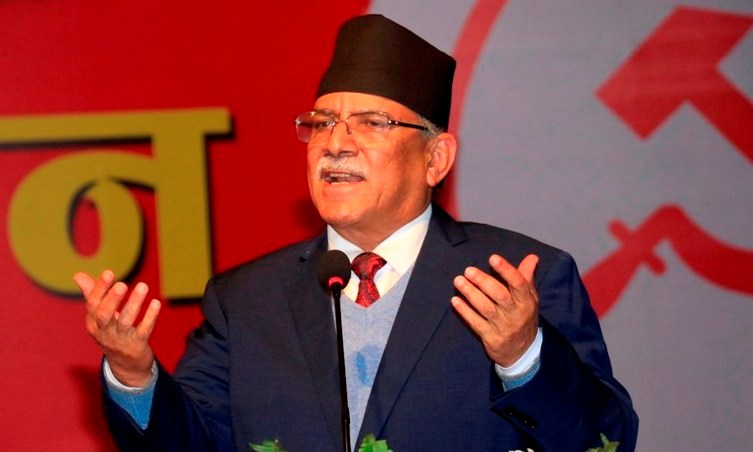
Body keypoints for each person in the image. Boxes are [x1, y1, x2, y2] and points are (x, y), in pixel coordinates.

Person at [75, 14, 638, 451]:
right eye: (321, 123)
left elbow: (604, 441)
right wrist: (133, 373)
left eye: (372, 123)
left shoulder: (513, 278)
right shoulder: (247, 300)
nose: (335, 143)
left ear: (435, 159)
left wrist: (522, 356)